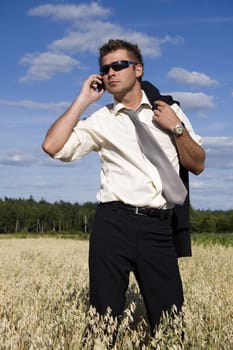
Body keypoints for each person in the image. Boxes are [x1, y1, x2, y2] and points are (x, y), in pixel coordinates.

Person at [42, 39, 205, 339]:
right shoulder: (100, 120)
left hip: (159, 228)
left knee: (171, 325)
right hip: (112, 225)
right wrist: (82, 100)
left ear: (138, 69)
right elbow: (52, 146)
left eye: (119, 65)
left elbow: (197, 164)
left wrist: (176, 128)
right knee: (101, 325)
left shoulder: (170, 110)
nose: (110, 73)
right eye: (105, 69)